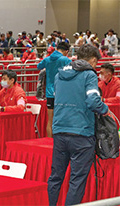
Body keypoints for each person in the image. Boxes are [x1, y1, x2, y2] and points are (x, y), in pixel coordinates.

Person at [48, 44, 108, 205]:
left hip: (60, 130)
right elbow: (93, 102)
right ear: (94, 60)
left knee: (55, 177)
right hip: (81, 133)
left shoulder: (59, 75)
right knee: (77, 180)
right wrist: (105, 109)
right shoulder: (89, 75)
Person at [37, 42, 71, 137]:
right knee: (62, 119)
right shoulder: (66, 60)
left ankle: (49, 142)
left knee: (50, 120)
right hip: (62, 92)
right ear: (66, 51)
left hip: (50, 93)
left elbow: (39, 66)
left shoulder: (47, 59)